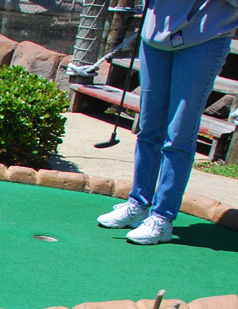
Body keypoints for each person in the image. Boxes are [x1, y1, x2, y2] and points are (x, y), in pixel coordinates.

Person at [96, 0, 238, 244]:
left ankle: (162, 217)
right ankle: (138, 203)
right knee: (149, 128)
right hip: (155, 36)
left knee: (179, 131)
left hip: (204, 38)